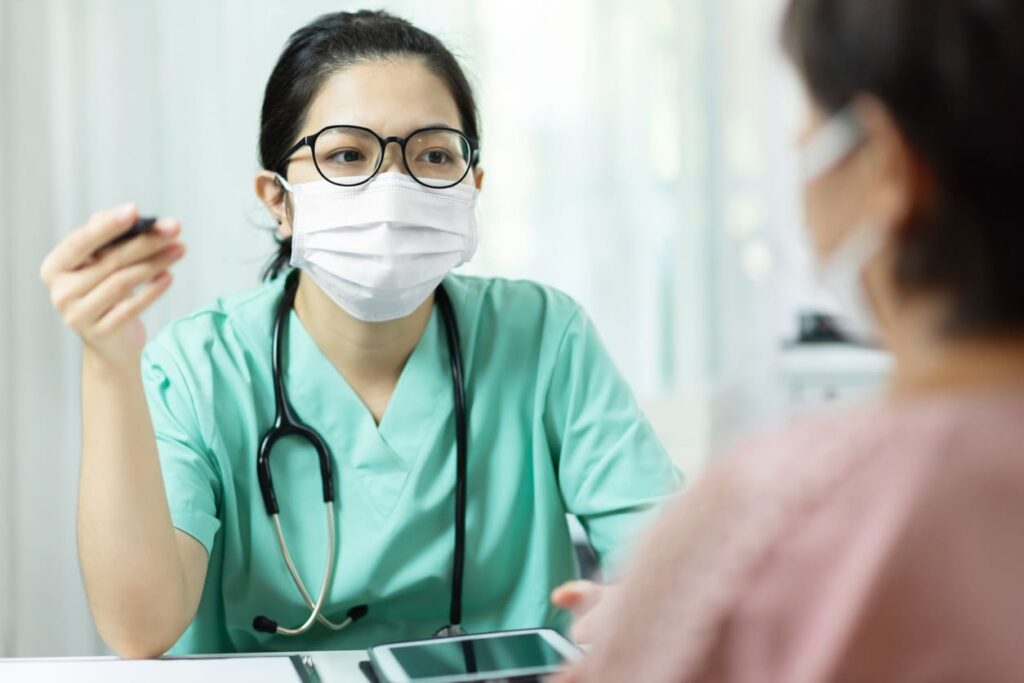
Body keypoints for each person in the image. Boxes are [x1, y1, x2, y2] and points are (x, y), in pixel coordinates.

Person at [38, 10, 682, 658]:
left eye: (433, 154)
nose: (394, 189)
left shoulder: (544, 337)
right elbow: (139, 628)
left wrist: (640, 612)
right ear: (278, 200)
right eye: (348, 154)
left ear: (472, 187)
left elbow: (676, 563)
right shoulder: (200, 368)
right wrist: (108, 359)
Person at [555, 0, 1024, 680]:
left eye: (808, 118)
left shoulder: (770, 518)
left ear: (885, 166)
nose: (796, 151)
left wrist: (675, 608)